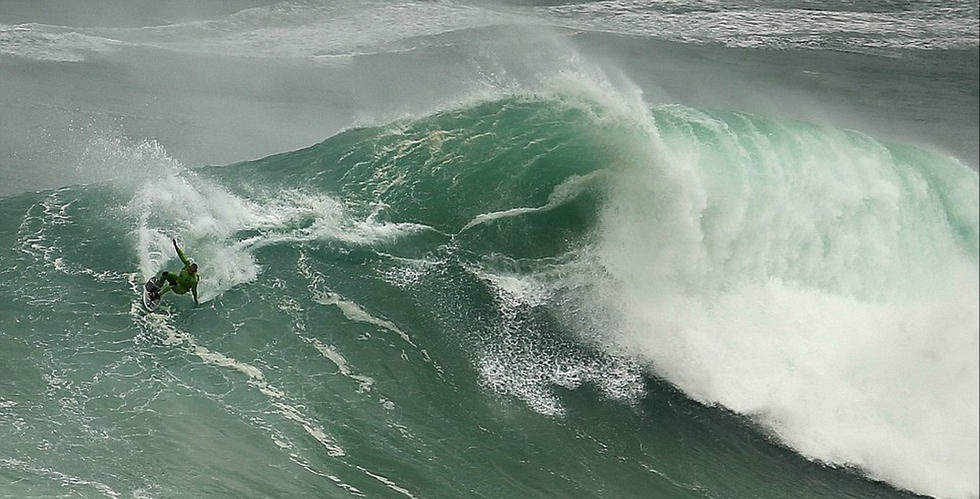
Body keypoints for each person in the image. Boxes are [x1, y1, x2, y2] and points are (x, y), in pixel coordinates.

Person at [153, 238, 200, 305]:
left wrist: (196, 300)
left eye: (192, 271)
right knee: (165, 274)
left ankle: (158, 295)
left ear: (195, 271)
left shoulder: (193, 280)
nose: (190, 271)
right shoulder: (187, 265)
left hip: (181, 289)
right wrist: (175, 246)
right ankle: (159, 286)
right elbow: (181, 255)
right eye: (189, 269)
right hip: (178, 279)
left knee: (173, 283)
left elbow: (194, 291)